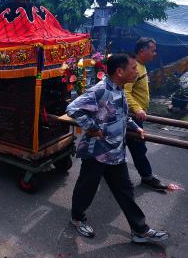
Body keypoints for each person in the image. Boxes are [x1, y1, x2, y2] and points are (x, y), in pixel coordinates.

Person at [66, 53, 168, 243]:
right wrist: (93, 128)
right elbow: (72, 108)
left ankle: (140, 230)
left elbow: (122, 115)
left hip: (115, 152)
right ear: (120, 72)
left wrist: (135, 127)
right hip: (96, 152)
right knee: (86, 188)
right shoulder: (100, 90)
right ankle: (77, 218)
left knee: (125, 191)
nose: (136, 71)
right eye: (133, 68)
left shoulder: (120, 89)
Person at [125, 38, 167, 191]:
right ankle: (147, 177)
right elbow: (126, 92)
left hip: (136, 115)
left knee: (121, 146)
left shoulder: (141, 67)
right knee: (138, 148)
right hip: (133, 117)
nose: (154, 54)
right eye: (153, 50)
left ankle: (108, 172)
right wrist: (137, 109)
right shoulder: (134, 68)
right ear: (142, 51)